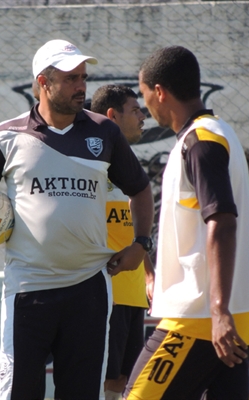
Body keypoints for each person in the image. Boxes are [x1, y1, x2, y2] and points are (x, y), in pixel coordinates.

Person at [0, 39, 155, 400]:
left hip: (89, 289)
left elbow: (141, 190)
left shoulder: (105, 132)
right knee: (17, 393)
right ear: (43, 82)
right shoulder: (5, 136)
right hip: (28, 289)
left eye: (83, 77)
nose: (81, 86)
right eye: (69, 78)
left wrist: (140, 246)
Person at [123, 46, 249, 400]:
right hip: (228, 317)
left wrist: (218, 311)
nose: (145, 108)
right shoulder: (217, 133)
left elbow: (221, 221)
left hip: (200, 320)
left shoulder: (200, 142)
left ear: (160, 91)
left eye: (144, 96)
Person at [90, 85, 155, 400]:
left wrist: (151, 274)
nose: (143, 116)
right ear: (112, 116)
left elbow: (134, 231)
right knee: (101, 373)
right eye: (135, 110)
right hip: (106, 292)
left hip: (133, 291)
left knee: (123, 376)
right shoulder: (91, 167)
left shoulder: (130, 168)